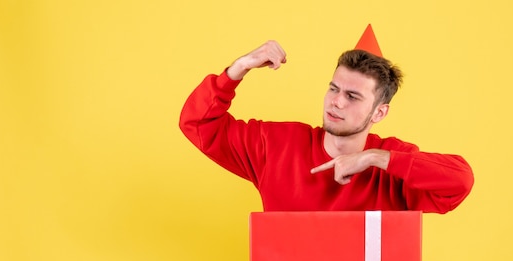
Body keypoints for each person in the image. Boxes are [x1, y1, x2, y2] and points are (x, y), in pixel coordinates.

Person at [179, 32, 474, 213]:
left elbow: (460, 181)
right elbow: (197, 123)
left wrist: (373, 158)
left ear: (379, 113)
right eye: (333, 89)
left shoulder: (391, 163)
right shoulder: (275, 144)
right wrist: (238, 68)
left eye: (353, 96)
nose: (337, 102)